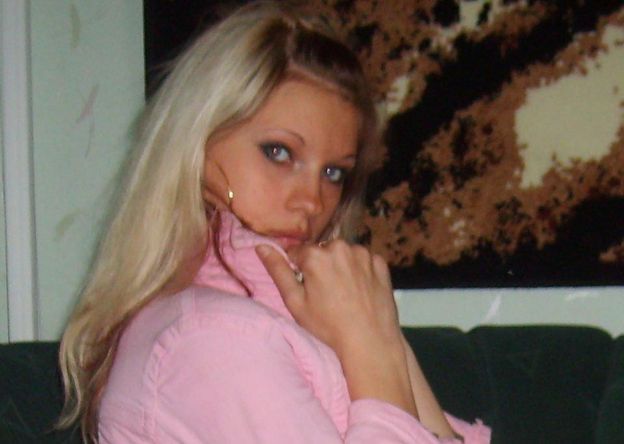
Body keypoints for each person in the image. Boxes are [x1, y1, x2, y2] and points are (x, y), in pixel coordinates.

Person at [58, 2, 490, 443]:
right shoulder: (213, 337)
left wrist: (381, 336)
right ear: (197, 143)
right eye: (279, 153)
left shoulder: (285, 319)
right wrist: (373, 354)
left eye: (333, 172)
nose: (312, 201)